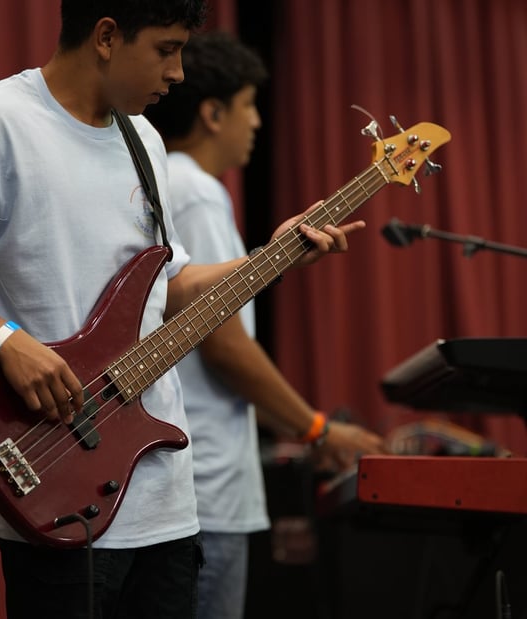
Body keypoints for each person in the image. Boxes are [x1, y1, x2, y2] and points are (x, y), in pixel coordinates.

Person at [0, 4, 365, 618]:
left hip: (165, 501)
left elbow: (170, 288)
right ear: (106, 36)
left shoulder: (145, 139)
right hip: (55, 483)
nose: (179, 72)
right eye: (166, 49)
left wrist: (273, 256)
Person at [144, 30, 388, 619]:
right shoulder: (197, 191)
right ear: (213, 113)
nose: (256, 121)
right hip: (206, 483)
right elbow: (222, 342)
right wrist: (317, 429)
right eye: (249, 105)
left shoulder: (170, 180)